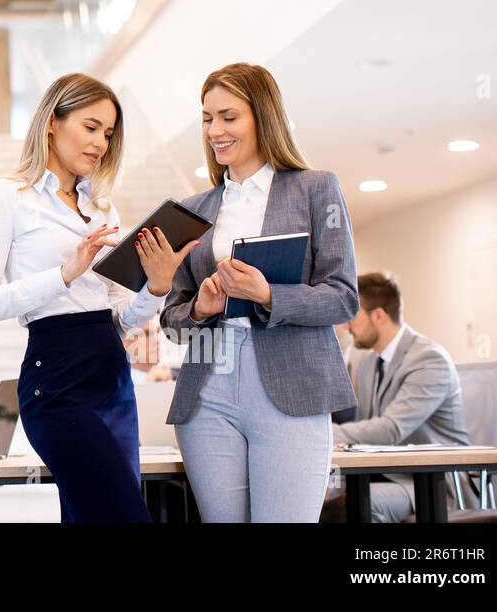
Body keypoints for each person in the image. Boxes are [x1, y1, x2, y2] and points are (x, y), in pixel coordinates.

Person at [0, 72, 199, 522]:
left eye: (108, 134)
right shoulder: (6, 197)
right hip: (56, 383)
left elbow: (121, 319)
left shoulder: (102, 208)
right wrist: (65, 274)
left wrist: (157, 286)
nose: (101, 143)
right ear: (53, 121)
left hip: (113, 381)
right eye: (91, 127)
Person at [154, 62, 359, 522]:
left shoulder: (316, 189)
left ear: (262, 116)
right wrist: (200, 310)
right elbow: (172, 320)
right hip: (208, 389)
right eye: (207, 119)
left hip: (291, 385)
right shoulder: (191, 210)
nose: (215, 130)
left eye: (229, 116)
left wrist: (269, 294)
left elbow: (343, 296)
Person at [331, 271, 472, 522]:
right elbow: (365, 430)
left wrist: (323, 435)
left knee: (353, 505)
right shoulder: (368, 364)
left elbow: (390, 430)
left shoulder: (429, 359)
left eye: (353, 315)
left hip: (431, 481)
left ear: (378, 316)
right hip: (383, 473)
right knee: (312, 496)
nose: (345, 325)